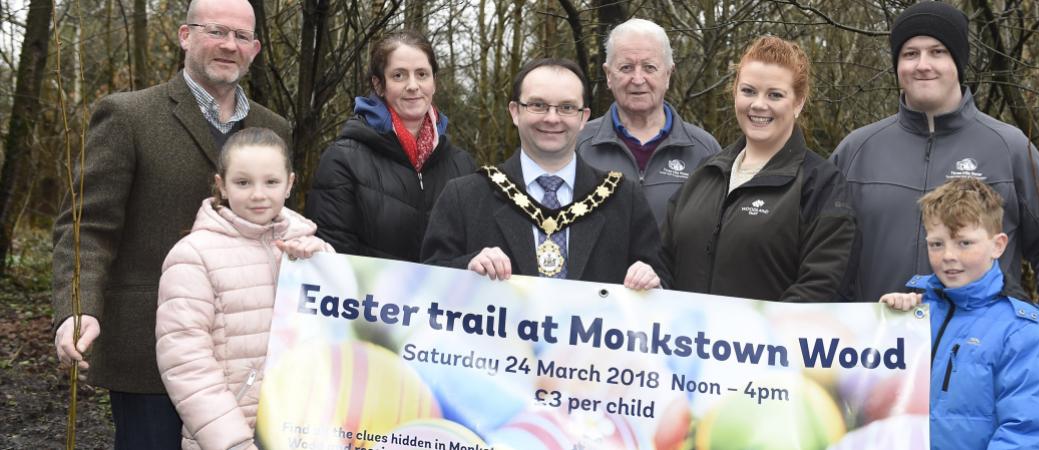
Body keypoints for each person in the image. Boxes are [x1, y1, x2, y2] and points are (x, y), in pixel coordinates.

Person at [50, 0, 289, 447]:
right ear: (185, 35)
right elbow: (87, 226)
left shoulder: (272, 127)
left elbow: (279, 226)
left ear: (255, 49)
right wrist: (77, 306)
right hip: (149, 354)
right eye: (217, 31)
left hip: (250, 356)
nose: (229, 45)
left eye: (241, 37)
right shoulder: (128, 115)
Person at [831, 1, 1039, 329]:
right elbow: (819, 248)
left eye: (938, 52)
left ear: (958, 61)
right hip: (875, 352)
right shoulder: (856, 150)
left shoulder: (1010, 148)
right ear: (897, 64)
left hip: (979, 350)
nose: (923, 65)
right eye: (910, 54)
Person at [422, 59, 666, 289]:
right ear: (515, 111)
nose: (552, 118)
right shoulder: (465, 197)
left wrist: (652, 282)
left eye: (567, 107)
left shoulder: (624, 199)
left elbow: (664, 284)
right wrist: (466, 269)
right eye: (538, 105)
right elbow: (426, 285)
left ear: (583, 118)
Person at [156, 128, 331, 450]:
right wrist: (233, 443)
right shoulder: (192, 256)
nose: (258, 194)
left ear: (290, 184)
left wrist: (321, 261)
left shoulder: (306, 248)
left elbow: (338, 331)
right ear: (221, 185)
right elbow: (185, 364)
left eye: (271, 182)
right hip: (232, 436)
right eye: (243, 182)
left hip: (302, 433)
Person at [660, 36, 855, 302]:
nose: (759, 105)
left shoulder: (822, 185)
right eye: (749, 91)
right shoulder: (705, 173)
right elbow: (662, 259)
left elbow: (822, 285)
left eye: (775, 94)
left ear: (798, 102)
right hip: (687, 339)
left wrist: (756, 339)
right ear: (735, 93)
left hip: (769, 343)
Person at [880, 177, 1039, 449]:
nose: (948, 255)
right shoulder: (915, 313)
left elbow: (1027, 432)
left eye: (964, 243)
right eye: (936, 244)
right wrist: (882, 322)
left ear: (998, 245)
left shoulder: (1024, 332)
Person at [306, 30, 476, 260]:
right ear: (379, 85)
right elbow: (332, 259)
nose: (413, 85)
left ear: (434, 82)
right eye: (399, 75)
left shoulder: (463, 165)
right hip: (368, 296)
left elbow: (472, 249)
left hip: (444, 296)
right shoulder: (342, 160)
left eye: (422, 74)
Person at [576, 18, 720, 224]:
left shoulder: (704, 150)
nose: (637, 79)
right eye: (626, 68)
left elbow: (713, 232)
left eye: (649, 67)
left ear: (668, 74)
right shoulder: (577, 144)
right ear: (608, 75)